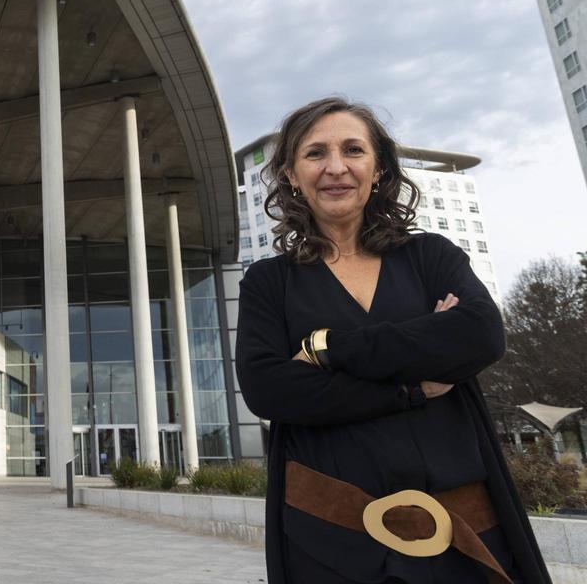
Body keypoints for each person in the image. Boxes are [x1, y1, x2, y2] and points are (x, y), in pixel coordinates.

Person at [235, 96, 550, 584]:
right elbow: (268, 389)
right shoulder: (267, 282)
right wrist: (412, 385)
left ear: (378, 168)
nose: (335, 167)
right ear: (292, 175)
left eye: (353, 150)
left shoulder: (430, 256)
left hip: (463, 532)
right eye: (315, 153)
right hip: (327, 536)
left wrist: (328, 349)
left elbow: (480, 335)